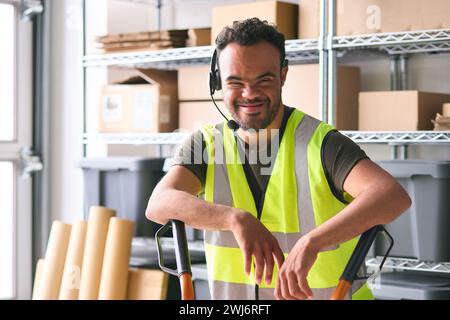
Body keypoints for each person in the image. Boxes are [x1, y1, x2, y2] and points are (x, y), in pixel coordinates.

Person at [146, 18, 411, 300]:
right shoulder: (205, 144)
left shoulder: (321, 143)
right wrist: (234, 218)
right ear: (218, 82)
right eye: (235, 82)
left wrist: (313, 242)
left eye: (264, 80)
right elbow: (159, 203)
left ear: (283, 75)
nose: (249, 94)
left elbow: (392, 196)